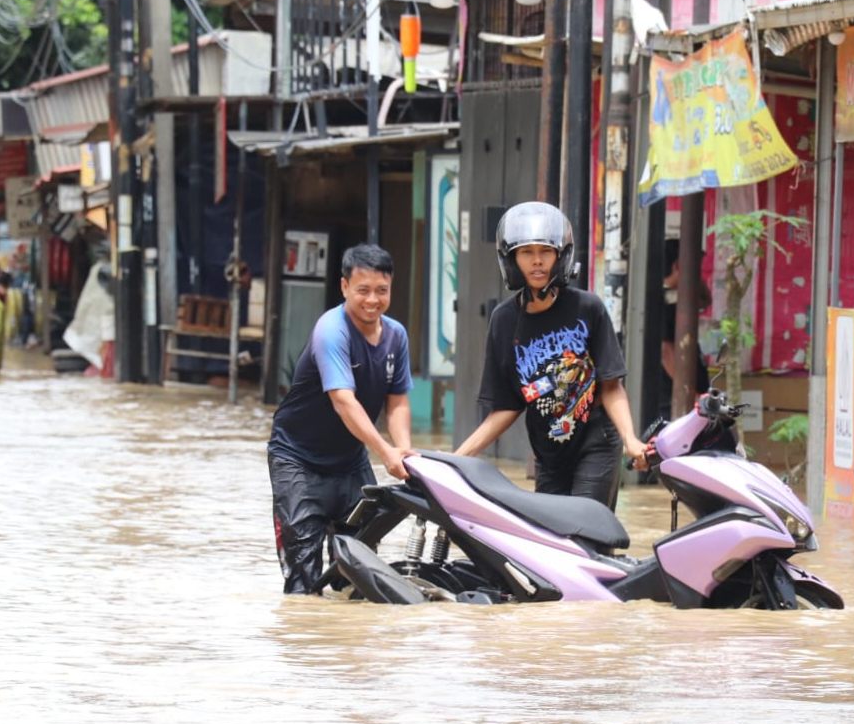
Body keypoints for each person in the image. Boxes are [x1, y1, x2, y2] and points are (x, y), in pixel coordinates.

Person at [455, 201, 647, 508]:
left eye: (545, 252)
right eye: (526, 252)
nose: (537, 262)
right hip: (549, 453)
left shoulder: (588, 308)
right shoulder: (504, 320)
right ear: (512, 259)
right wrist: (456, 459)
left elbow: (611, 385)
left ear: (561, 255)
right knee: (549, 542)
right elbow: (508, 406)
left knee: (587, 531)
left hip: (596, 442)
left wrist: (630, 439)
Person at [267, 243, 414, 594]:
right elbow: (343, 401)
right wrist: (384, 451)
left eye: (382, 290)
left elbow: (396, 403)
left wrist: (405, 450)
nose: (372, 300)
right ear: (345, 287)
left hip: (349, 462)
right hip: (297, 461)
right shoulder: (331, 330)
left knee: (362, 569)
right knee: (304, 576)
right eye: (363, 290)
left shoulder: (396, 336)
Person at [657, 238, 710, 419]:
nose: (697, 274)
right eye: (694, 267)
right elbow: (666, 352)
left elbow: (704, 300)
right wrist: (690, 394)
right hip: (671, 401)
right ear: (678, 265)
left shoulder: (678, 296)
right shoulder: (660, 300)